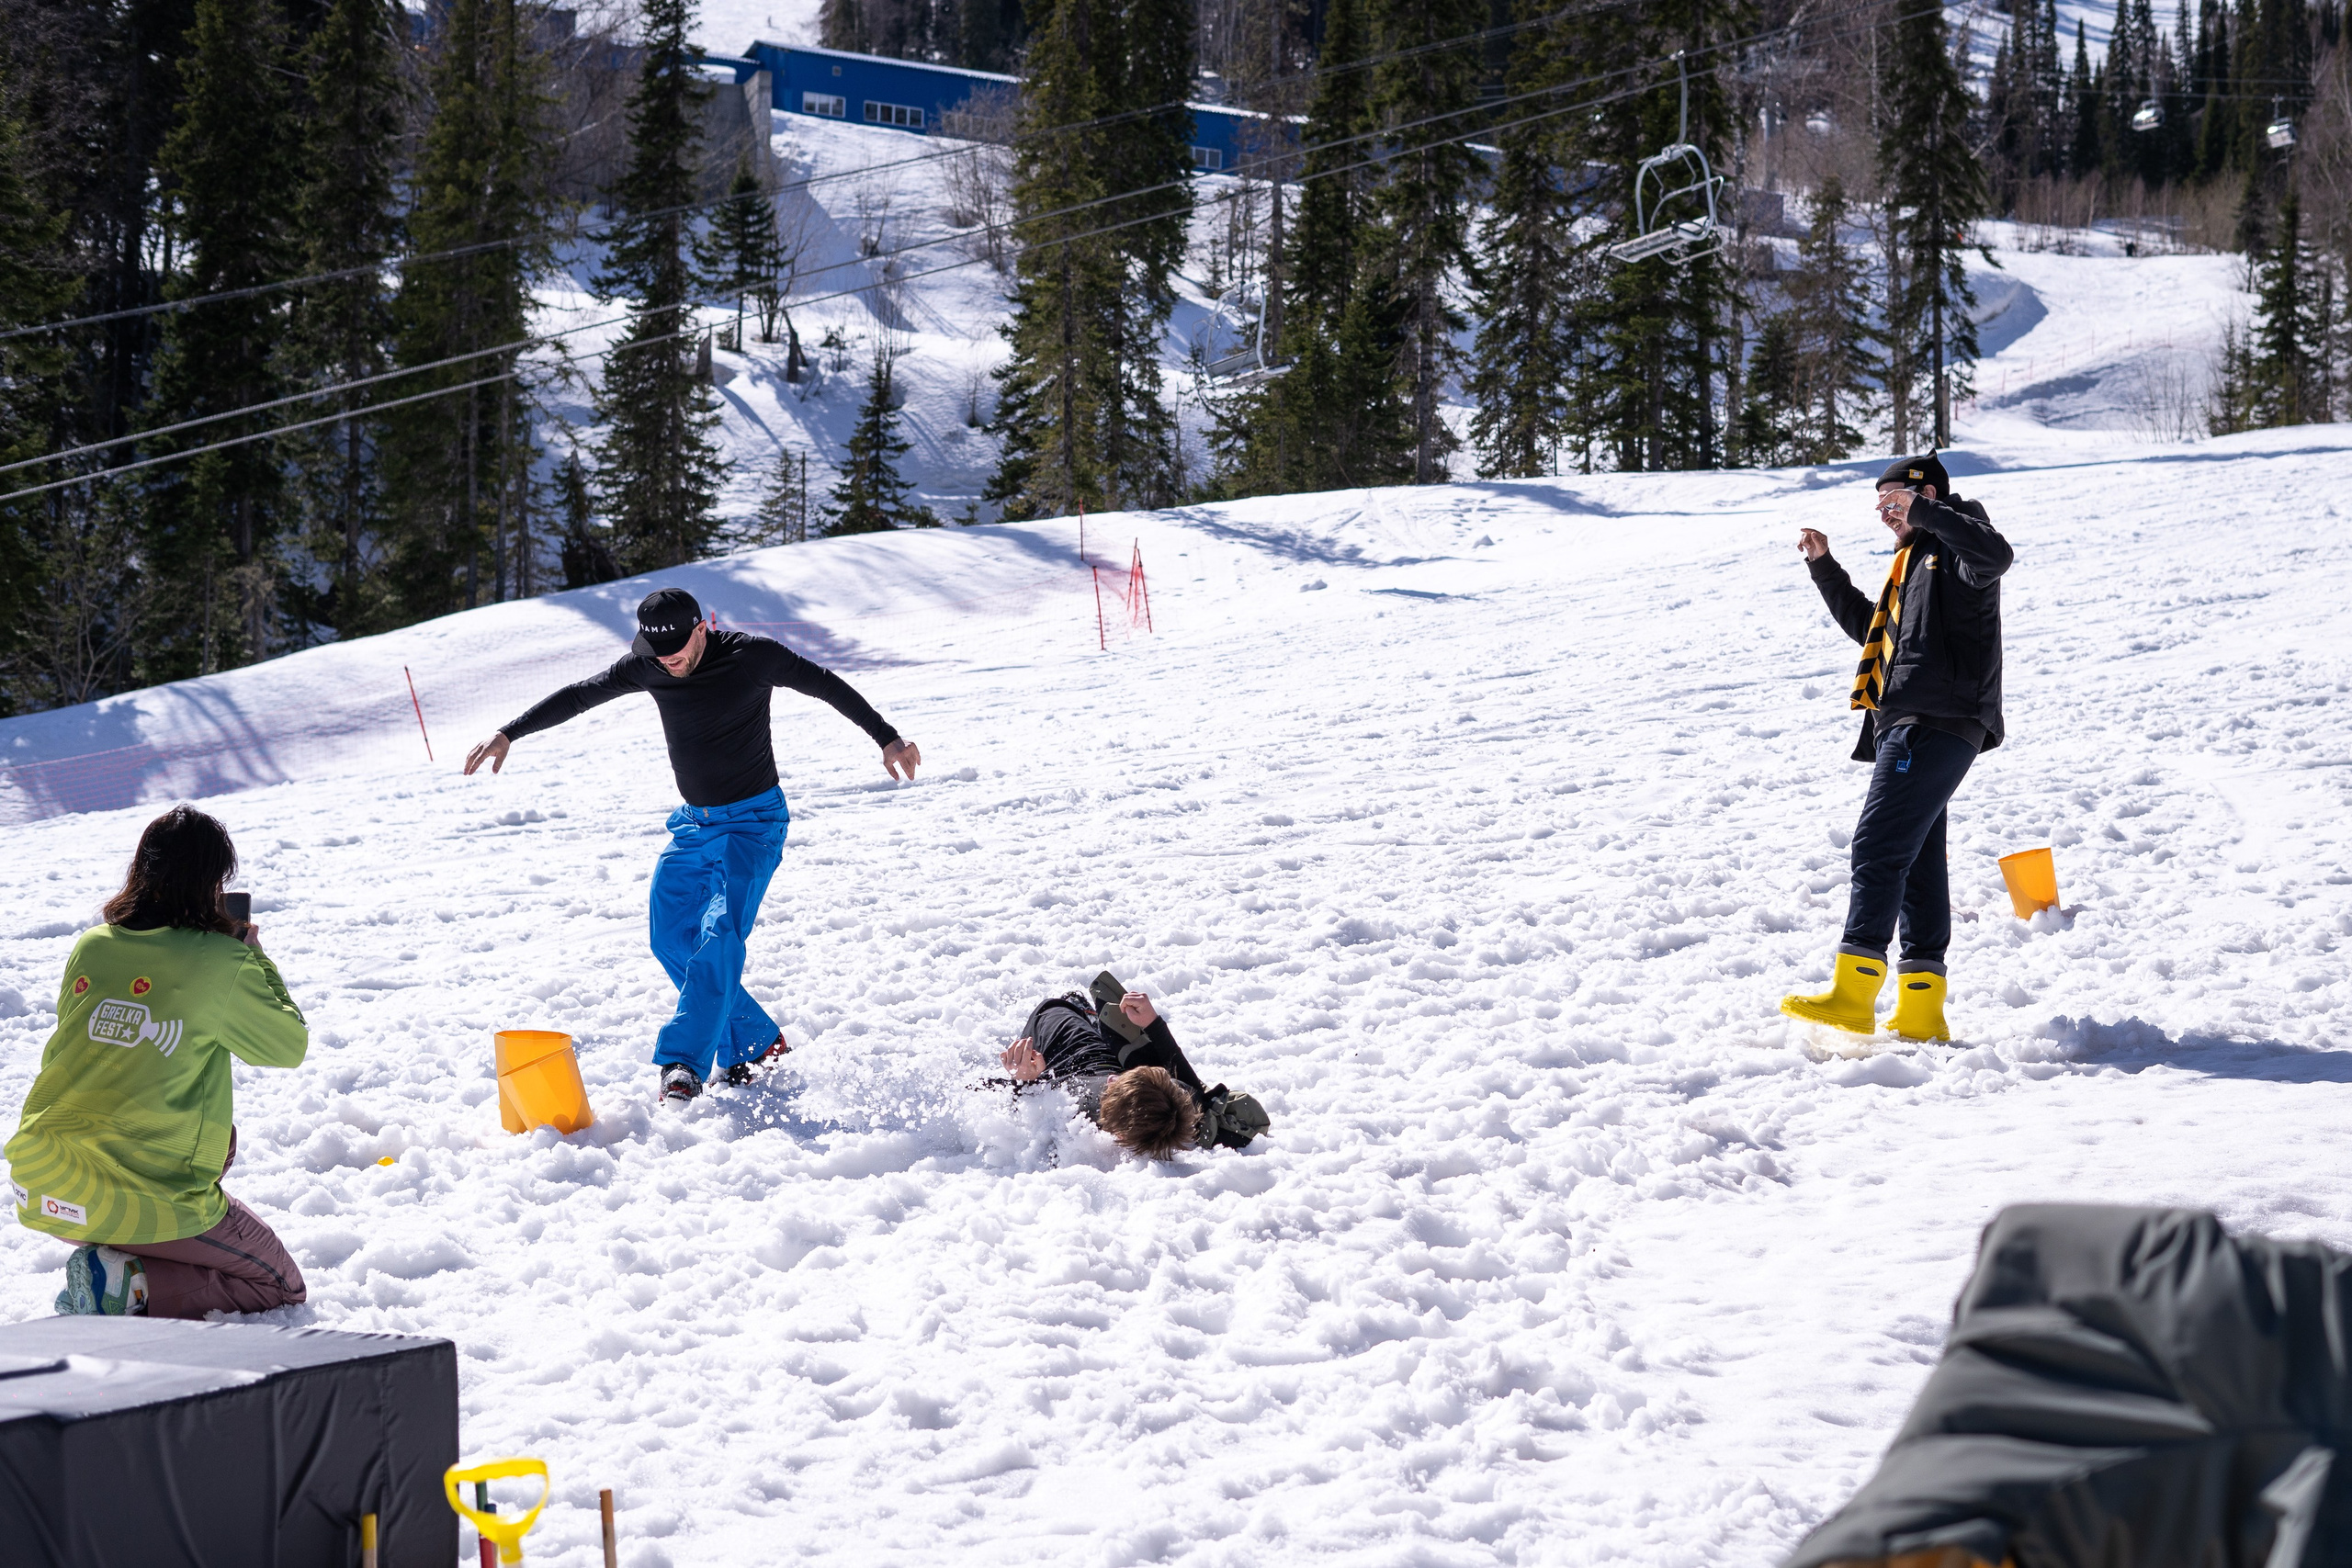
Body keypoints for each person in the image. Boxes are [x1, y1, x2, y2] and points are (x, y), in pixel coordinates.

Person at [466, 587, 921, 1103]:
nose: (670, 663)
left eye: (679, 651)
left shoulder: (752, 656)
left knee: (718, 935)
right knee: (670, 938)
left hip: (753, 824)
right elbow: (579, 695)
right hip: (693, 825)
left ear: (702, 626)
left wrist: (887, 737)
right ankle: (756, 1044)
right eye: (660, 655)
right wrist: (510, 733)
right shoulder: (646, 663)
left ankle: (683, 1061)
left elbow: (825, 685)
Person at [6, 807, 310, 1317]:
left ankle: (111, 1268)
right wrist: (252, 954)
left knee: (220, 1140)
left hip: (42, 1178)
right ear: (211, 883)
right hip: (129, 1194)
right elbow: (287, 1046)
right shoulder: (221, 961)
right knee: (279, 1286)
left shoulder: (92, 945)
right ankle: (128, 1288)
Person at [1782, 454, 2012, 1043]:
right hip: (1909, 719)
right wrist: (1825, 567)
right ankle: (1920, 1009)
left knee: (1878, 843)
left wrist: (1931, 513)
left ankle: (1854, 992)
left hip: (1933, 718)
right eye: (1880, 506)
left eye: (1894, 502)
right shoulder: (1912, 561)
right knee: (1917, 865)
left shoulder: (1958, 543)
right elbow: (1874, 631)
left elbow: (1997, 556)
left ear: (1926, 495)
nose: (1885, 514)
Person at [999, 982, 1269, 1158]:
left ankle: (1082, 1013)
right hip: (1102, 1056)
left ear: (1118, 1133)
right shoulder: (1175, 1108)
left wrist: (1027, 1080)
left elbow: (1029, 1116)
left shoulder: (1078, 1110)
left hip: (1066, 1054)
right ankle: (1092, 1020)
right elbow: (1193, 1088)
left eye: (1115, 1086)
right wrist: (1153, 1024)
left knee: (1054, 1008)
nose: (1115, 1080)